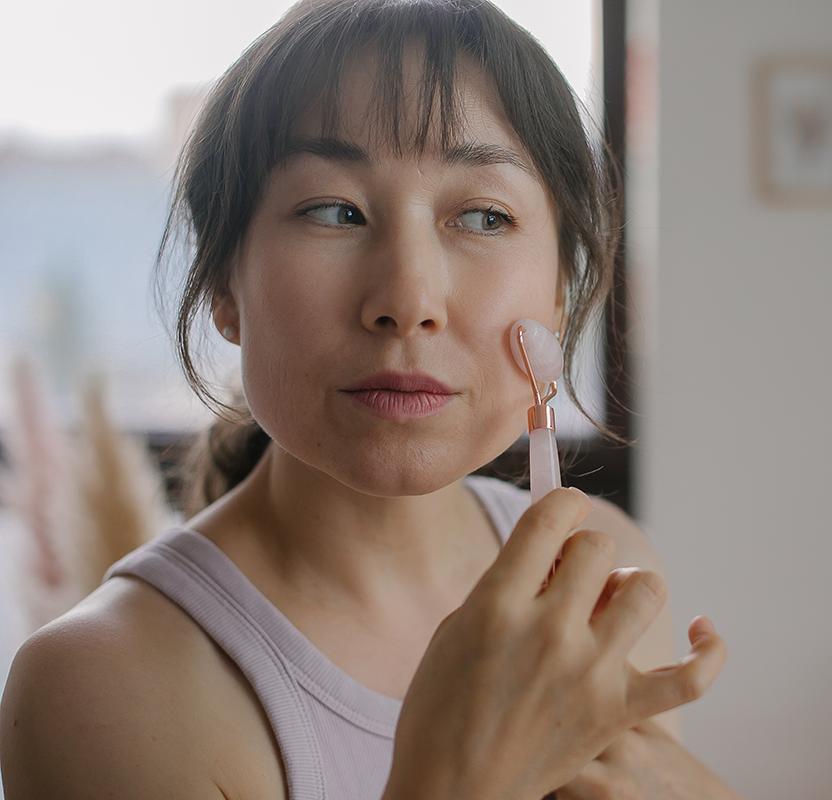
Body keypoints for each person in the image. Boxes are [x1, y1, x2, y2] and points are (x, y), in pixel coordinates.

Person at [0, 1, 735, 798]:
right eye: (333, 211)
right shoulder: (103, 686)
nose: (408, 297)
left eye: (484, 216)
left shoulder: (605, 584)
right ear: (223, 285)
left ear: (560, 293)